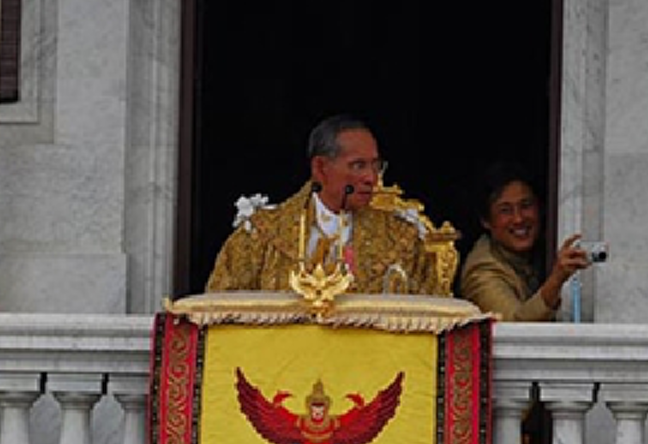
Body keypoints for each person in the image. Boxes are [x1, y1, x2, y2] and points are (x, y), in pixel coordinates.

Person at [206, 114, 445, 295]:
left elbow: (432, 319)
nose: (371, 178)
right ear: (320, 168)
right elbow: (219, 310)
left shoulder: (401, 239)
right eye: (358, 165)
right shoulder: (261, 236)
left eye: (375, 165)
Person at [459, 162, 591, 321]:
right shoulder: (481, 271)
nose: (519, 218)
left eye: (526, 205)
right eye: (505, 210)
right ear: (486, 221)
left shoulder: (543, 245)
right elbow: (515, 328)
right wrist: (557, 279)